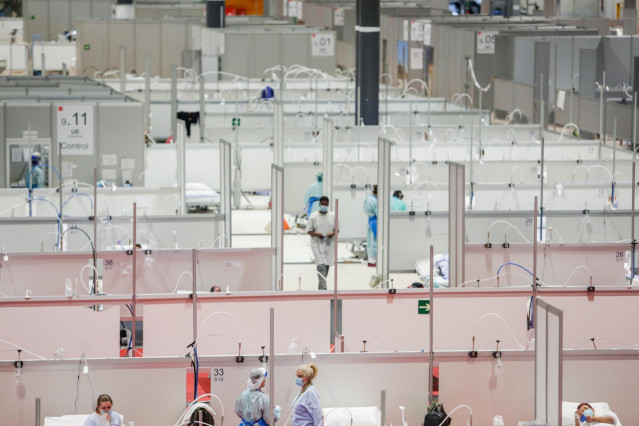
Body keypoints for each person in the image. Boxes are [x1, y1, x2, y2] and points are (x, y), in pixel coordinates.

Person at [306, 196, 335, 290]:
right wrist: (316, 234)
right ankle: (324, 290)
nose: (324, 206)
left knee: (326, 268)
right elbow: (309, 230)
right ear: (319, 204)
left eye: (325, 204)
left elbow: (337, 229)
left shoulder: (333, 216)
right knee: (321, 267)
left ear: (328, 204)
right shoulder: (313, 216)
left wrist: (332, 234)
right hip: (317, 245)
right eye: (322, 204)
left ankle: (321, 291)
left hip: (329, 245)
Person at [362, 185, 378, 267]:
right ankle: (373, 260)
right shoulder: (374, 201)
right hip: (376, 222)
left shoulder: (368, 199)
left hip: (371, 221)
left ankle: (371, 259)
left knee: (371, 242)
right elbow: (379, 212)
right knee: (375, 242)